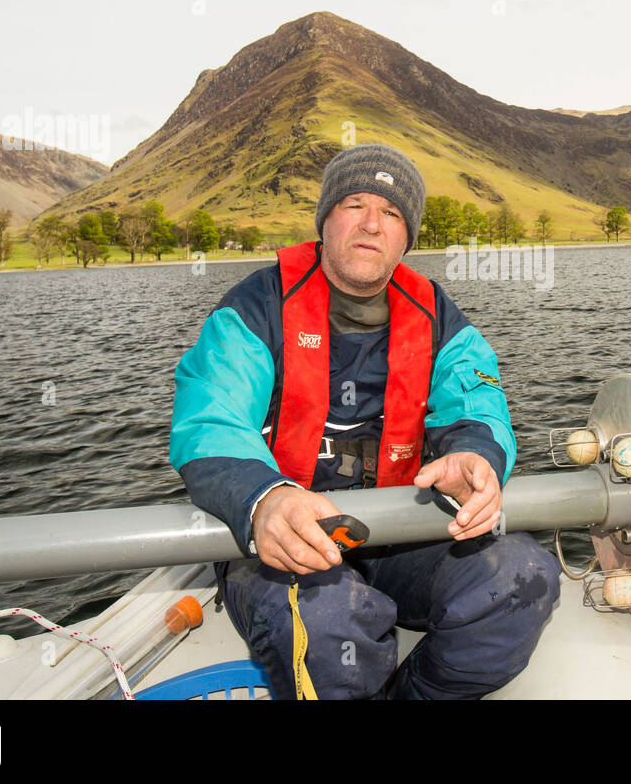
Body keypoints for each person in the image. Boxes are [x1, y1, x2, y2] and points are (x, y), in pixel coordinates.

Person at [169, 143, 560, 699]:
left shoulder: (439, 317)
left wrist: (475, 452)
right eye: (355, 204)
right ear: (326, 220)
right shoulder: (253, 309)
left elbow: (478, 402)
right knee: (328, 623)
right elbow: (211, 419)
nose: (373, 224)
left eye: (393, 213)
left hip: (402, 534)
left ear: (407, 238)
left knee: (523, 577)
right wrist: (265, 498)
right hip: (285, 543)